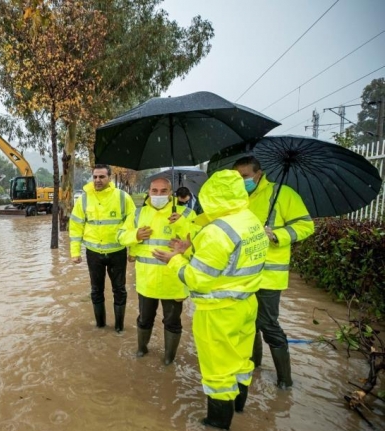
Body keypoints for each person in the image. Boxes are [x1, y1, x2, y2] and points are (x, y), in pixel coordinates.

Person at [153, 170, 269, 429]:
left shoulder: (216, 232)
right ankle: (239, 409)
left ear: (211, 196)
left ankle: (217, 422)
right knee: (241, 362)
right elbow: (230, 263)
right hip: (246, 304)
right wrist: (189, 250)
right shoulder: (250, 219)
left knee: (218, 372)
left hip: (218, 312)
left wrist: (175, 260)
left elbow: (197, 279)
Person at [233, 156, 314, 389]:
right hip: (241, 274)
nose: (241, 181)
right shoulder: (238, 198)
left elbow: (306, 226)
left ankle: (284, 381)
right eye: (237, 177)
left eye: (245, 177)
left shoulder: (283, 194)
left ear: (259, 174)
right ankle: (254, 367)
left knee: (268, 324)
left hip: (269, 276)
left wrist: (277, 235)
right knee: (248, 323)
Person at [117, 177, 196, 364]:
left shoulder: (186, 214)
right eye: (154, 191)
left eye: (163, 191)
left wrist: (182, 224)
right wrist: (135, 235)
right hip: (147, 280)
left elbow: (197, 246)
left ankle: (169, 358)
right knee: (144, 319)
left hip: (173, 280)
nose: (158, 195)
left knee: (172, 322)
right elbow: (120, 235)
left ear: (171, 193)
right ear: (148, 192)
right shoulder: (138, 214)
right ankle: (141, 349)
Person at [69, 164, 136, 332]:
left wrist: (132, 251)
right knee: (96, 290)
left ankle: (119, 327)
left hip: (117, 253)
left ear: (109, 178)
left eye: (102, 177)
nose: (97, 180)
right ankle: (100, 325)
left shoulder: (122, 197)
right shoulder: (83, 199)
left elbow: (132, 225)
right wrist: (75, 252)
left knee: (119, 290)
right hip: (94, 254)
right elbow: (76, 226)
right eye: (95, 177)